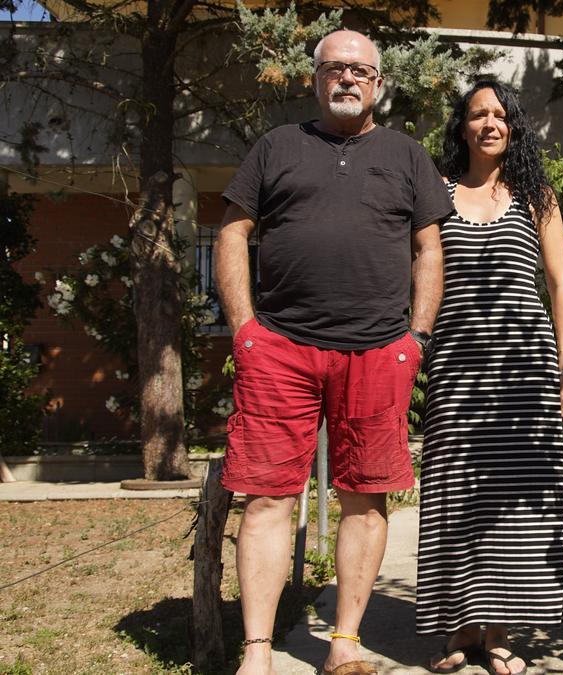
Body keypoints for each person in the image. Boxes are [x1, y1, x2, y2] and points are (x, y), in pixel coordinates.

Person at [214, 29, 451, 675]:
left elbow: (430, 248)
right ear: (315, 79)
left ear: (378, 83)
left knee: (366, 496)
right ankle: (257, 649)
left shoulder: (407, 154)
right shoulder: (277, 147)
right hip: (281, 349)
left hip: (378, 351)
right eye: (334, 69)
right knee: (266, 496)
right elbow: (233, 233)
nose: (347, 79)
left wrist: (416, 338)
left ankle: (343, 642)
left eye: (360, 70)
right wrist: (245, 328)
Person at [416, 80, 563, 675]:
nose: (490, 123)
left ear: (514, 126)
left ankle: (501, 633)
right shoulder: (433, 192)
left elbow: (562, 288)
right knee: (455, 495)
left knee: (515, 505)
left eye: (500, 114)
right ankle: (459, 631)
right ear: (461, 127)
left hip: (526, 373)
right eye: (478, 114)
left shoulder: (537, 194)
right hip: (457, 369)